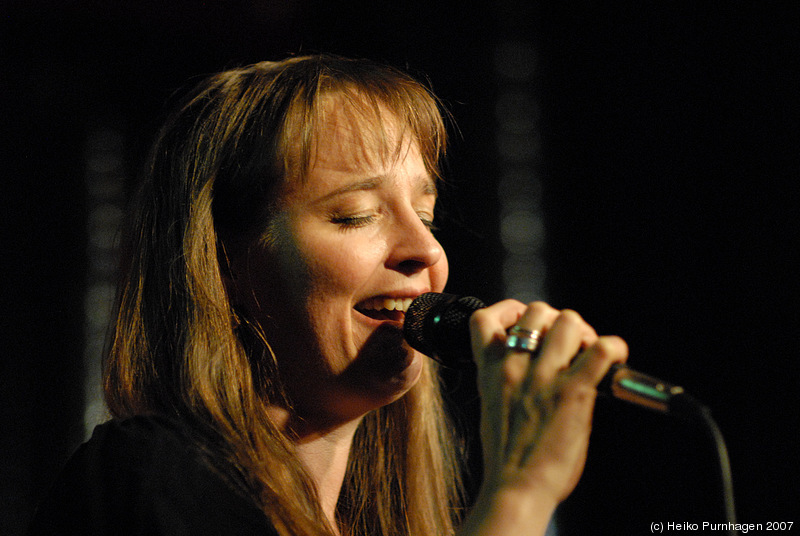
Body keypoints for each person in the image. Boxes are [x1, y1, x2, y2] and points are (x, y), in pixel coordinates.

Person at [29, 54, 628, 536]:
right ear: (221, 265)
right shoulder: (150, 476)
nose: (425, 251)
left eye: (427, 215)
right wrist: (519, 495)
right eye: (353, 216)